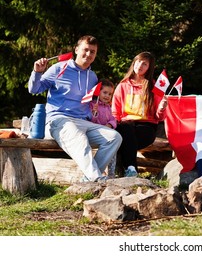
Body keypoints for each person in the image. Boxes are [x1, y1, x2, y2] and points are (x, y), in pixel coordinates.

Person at [28, 35, 122, 182]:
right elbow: (34, 89)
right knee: (77, 135)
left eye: (93, 52)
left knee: (114, 137)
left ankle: (88, 179)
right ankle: (96, 178)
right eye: (86, 50)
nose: (89, 54)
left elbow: (93, 101)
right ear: (77, 49)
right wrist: (37, 72)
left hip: (84, 121)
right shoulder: (58, 68)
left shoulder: (92, 77)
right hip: (59, 120)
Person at [111, 51, 168, 177]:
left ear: (149, 68)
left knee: (126, 139)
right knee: (126, 129)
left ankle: (125, 170)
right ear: (134, 63)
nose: (140, 65)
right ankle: (131, 169)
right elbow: (115, 111)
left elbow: (160, 117)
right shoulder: (123, 85)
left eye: (145, 64)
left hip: (146, 127)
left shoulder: (153, 87)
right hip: (125, 125)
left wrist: (162, 108)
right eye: (138, 61)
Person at [89, 78, 117, 178]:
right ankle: (96, 171)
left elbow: (113, 119)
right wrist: (94, 113)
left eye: (110, 94)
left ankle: (111, 174)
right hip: (96, 133)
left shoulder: (108, 107)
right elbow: (91, 121)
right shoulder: (92, 105)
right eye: (104, 92)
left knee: (113, 150)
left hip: (107, 132)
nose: (107, 96)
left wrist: (110, 125)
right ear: (98, 92)